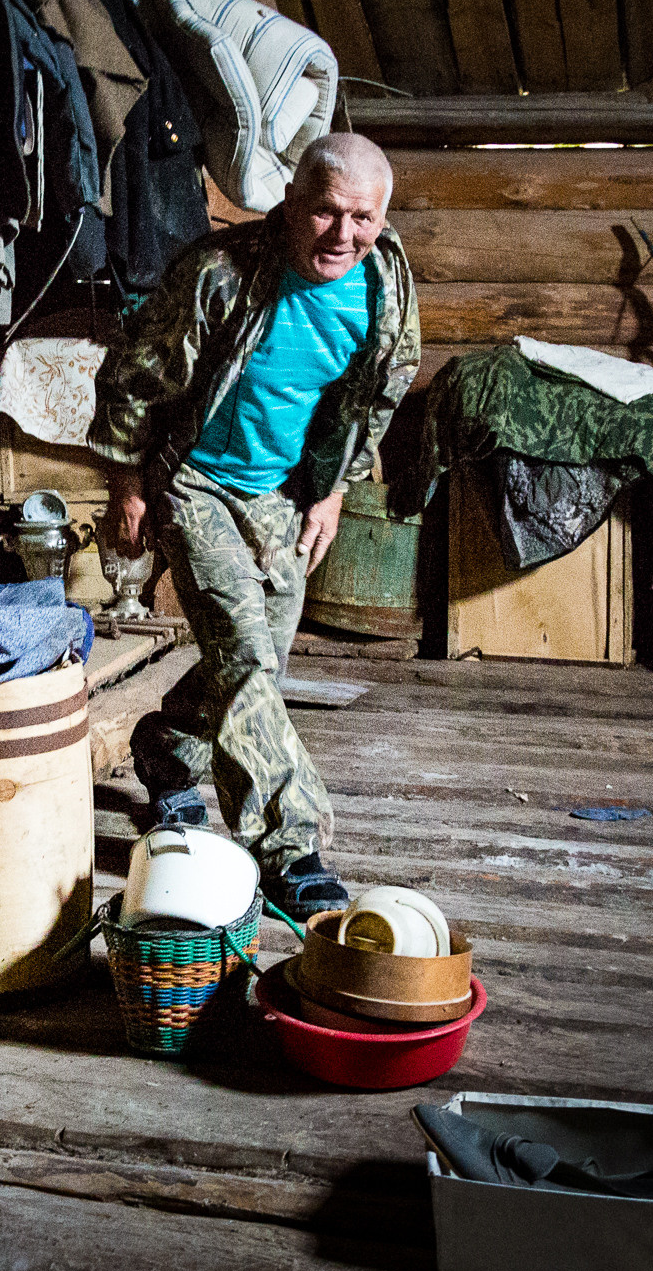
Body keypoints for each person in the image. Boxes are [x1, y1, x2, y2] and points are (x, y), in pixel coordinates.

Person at [86, 132, 421, 917]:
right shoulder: (219, 272)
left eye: (364, 219)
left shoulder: (385, 289)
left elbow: (380, 393)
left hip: (279, 491)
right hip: (194, 479)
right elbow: (134, 372)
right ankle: (288, 846)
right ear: (292, 203)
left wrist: (331, 492)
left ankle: (167, 752)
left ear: (383, 219)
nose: (343, 235)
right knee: (244, 653)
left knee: (258, 653)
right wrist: (127, 484)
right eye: (327, 212)